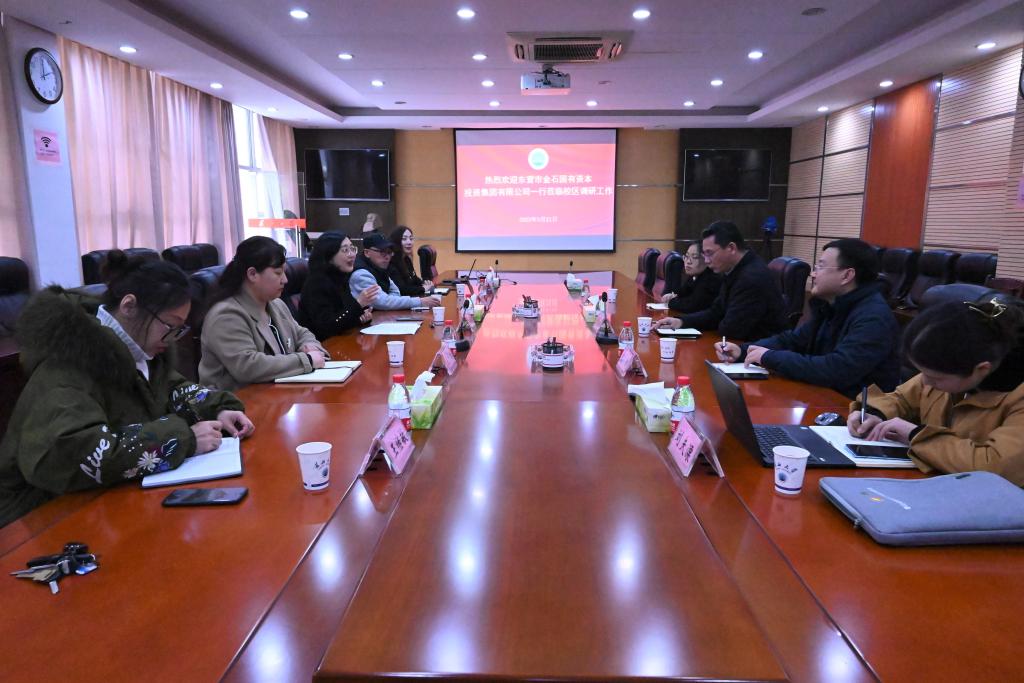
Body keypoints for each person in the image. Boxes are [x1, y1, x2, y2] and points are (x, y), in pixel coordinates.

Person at [0, 251, 253, 527]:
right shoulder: (67, 363)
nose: (171, 339)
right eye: (169, 326)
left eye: (178, 330)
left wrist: (218, 410)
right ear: (129, 306)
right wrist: (183, 440)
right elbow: (66, 454)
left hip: (103, 497)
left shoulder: (137, 349)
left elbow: (172, 388)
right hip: (39, 515)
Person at [848, 298, 1024, 484]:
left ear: (981, 369)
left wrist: (916, 435)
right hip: (936, 482)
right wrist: (876, 414)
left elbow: (995, 467)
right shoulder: (949, 369)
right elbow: (901, 399)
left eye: (935, 377)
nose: (924, 381)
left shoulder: (1016, 396)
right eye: (921, 372)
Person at [716, 238, 899, 397]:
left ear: (847, 275)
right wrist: (743, 351)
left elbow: (836, 370)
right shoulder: (831, 305)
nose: (813, 273)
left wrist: (769, 357)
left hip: (855, 412)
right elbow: (792, 340)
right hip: (824, 396)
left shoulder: (873, 317)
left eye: (820, 266)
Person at [199, 236, 330, 391]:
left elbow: (302, 333)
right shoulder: (226, 315)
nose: (285, 280)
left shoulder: (276, 304)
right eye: (278, 273)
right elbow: (248, 366)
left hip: (277, 394)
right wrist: (306, 360)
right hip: (238, 401)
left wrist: (311, 347)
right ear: (252, 274)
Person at [654, 221, 786, 340]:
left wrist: (717, 319)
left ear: (731, 248)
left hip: (759, 352)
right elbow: (716, 312)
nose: (706, 260)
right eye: (704, 254)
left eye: (709, 253)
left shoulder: (751, 277)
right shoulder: (734, 270)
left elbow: (730, 329)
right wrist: (681, 321)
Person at [299, 233, 379, 340]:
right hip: (320, 345)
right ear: (329, 256)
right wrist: (358, 304)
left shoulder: (340, 278)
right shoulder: (317, 284)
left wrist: (361, 317)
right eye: (345, 250)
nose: (352, 254)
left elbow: (343, 319)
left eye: (352, 249)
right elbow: (327, 326)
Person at [350, 232, 441, 311]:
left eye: (389, 252)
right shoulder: (361, 274)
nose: (387, 256)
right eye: (382, 252)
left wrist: (391, 301)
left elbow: (395, 291)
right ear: (367, 253)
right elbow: (383, 302)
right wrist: (419, 301)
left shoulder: (379, 267)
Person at [659, 240, 722, 314]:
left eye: (694, 257)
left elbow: (691, 306)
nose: (688, 262)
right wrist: (671, 296)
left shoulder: (711, 279)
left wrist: (670, 302)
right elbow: (682, 294)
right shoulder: (694, 276)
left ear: (706, 259)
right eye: (686, 256)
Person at [388, 226, 433, 297]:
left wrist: (424, 283)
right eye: (404, 239)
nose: (409, 242)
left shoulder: (406, 259)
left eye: (411, 239)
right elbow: (401, 289)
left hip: (411, 297)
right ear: (396, 241)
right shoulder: (391, 262)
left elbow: (414, 279)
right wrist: (423, 288)